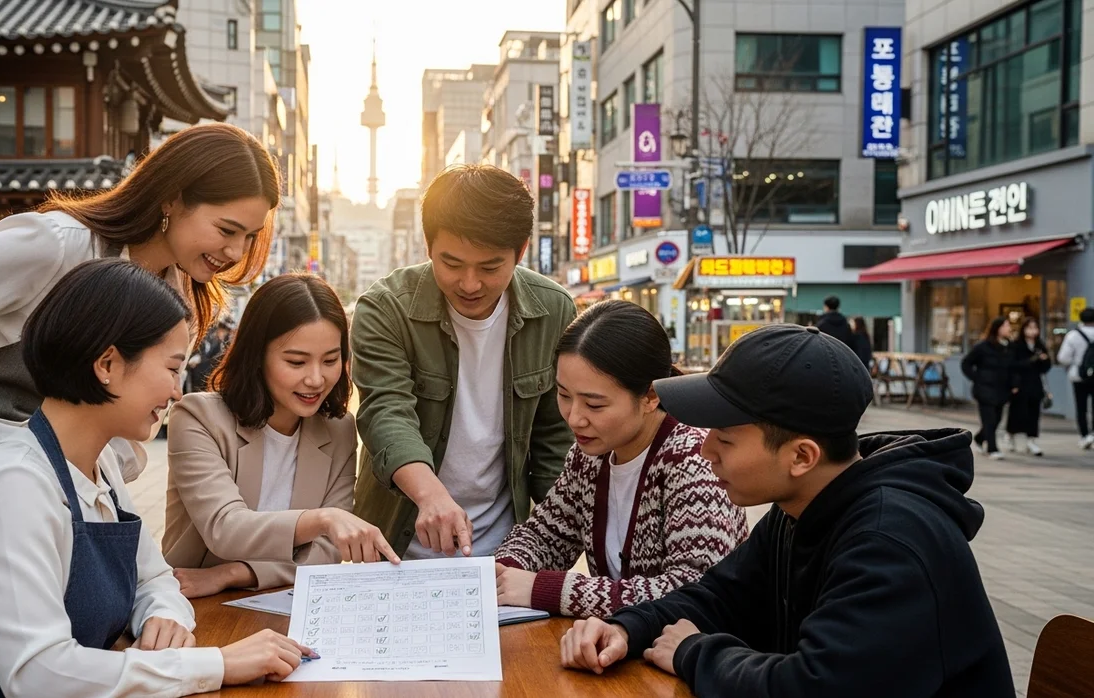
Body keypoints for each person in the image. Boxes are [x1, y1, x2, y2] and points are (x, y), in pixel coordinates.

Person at [0, 122, 279, 697]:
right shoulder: (57, 245)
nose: (236, 253)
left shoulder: (181, 299)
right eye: (227, 229)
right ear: (172, 198)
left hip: (59, 520)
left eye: (249, 237)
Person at [0, 259, 312, 697]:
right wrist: (215, 664)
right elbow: (37, 674)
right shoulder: (15, 486)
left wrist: (164, 616)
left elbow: (155, 579)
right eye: (172, 367)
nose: (177, 390)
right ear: (107, 364)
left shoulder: (98, 465)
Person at [559, 323, 1014, 698]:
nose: (706, 446)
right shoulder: (801, 507)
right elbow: (719, 595)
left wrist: (694, 652)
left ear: (802, 457)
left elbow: (817, 688)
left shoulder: (888, 542)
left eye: (727, 437)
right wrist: (624, 629)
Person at [351, 164, 577, 559]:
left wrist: (561, 540)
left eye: (490, 267)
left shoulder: (553, 310)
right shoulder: (387, 308)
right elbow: (386, 413)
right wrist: (432, 497)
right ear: (427, 245)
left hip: (502, 553)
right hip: (394, 547)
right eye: (452, 264)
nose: (470, 284)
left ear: (521, 250)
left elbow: (554, 441)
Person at [494, 301, 747, 618]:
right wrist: (504, 570)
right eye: (563, 395)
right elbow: (544, 536)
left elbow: (692, 592)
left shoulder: (693, 458)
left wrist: (545, 589)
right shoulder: (590, 455)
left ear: (651, 396)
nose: (574, 418)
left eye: (594, 405)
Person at [164, 274, 398, 598]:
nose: (316, 379)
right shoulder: (199, 418)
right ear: (257, 355)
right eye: (296, 362)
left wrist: (235, 573)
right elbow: (224, 527)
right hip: (196, 603)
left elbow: (327, 553)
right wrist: (323, 519)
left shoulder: (339, 428)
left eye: (330, 360)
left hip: (285, 604)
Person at [961, 317, 1015, 459]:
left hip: (1002, 389)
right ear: (997, 328)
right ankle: (992, 448)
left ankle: (979, 438)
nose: (1009, 329)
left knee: (996, 419)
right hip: (985, 389)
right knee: (989, 419)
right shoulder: (983, 347)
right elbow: (966, 363)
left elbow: (1013, 368)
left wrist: (1014, 384)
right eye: (1006, 326)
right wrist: (977, 378)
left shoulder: (1009, 347)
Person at [1005, 317, 1050, 456]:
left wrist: (1044, 360)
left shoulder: (1039, 345)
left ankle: (1031, 440)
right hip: (1019, 384)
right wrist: (1032, 360)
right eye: (1029, 328)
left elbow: (1045, 368)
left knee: (1034, 412)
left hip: (1035, 384)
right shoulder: (1016, 345)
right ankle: (1010, 434)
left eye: (1035, 328)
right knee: (1017, 411)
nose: (1033, 331)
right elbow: (1012, 365)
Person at [1056, 307, 1094, 449]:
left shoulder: (1074, 335)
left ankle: (1084, 435)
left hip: (1079, 375)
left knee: (1081, 407)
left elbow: (1063, 358)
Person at [186, 323, 231, 393]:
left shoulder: (219, 345)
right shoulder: (208, 335)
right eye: (222, 331)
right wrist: (197, 357)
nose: (223, 334)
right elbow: (202, 348)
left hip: (203, 371)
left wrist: (200, 359)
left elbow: (213, 358)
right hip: (194, 367)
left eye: (224, 333)